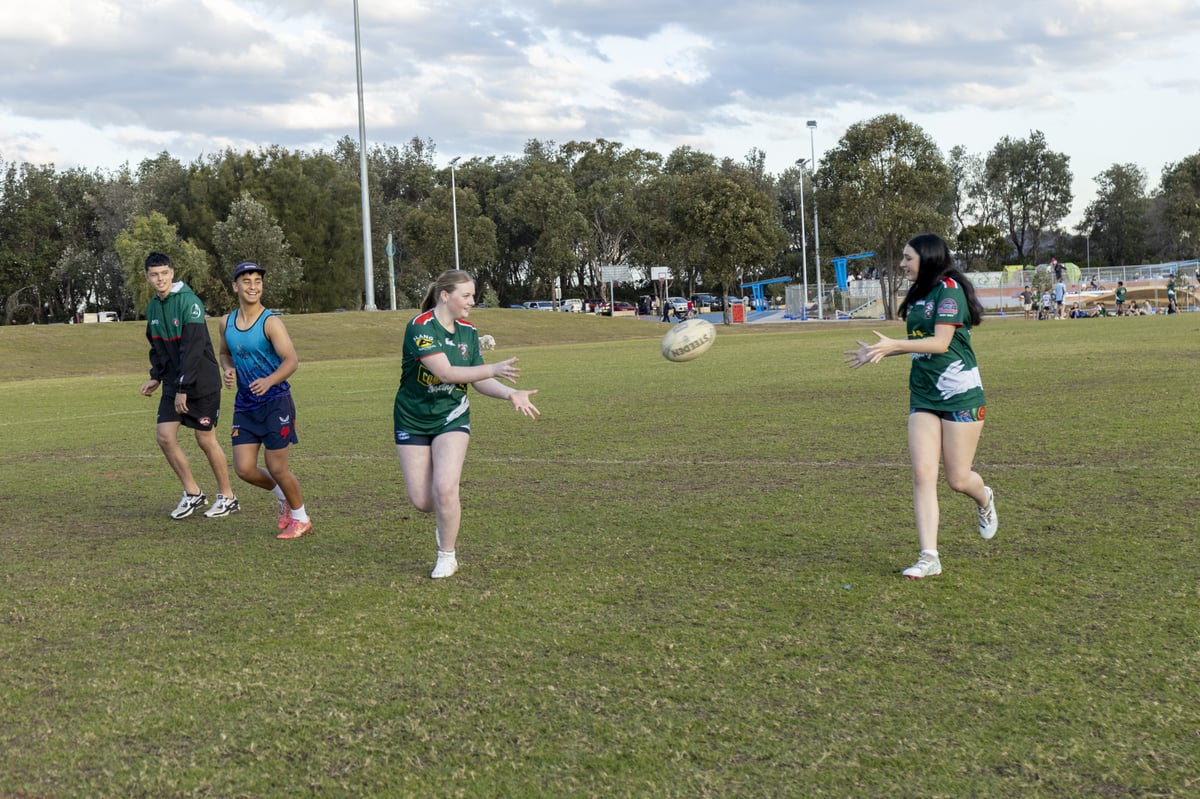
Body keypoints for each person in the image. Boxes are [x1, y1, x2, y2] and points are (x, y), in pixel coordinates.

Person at [843, 233, 997, 579]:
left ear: (926, 259)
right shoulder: (919, 295)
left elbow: (941, 343)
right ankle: (930, 557)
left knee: (958, 480)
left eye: (907, 258)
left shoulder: (949, 289)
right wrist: (880, 351)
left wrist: (895, 343)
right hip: (924, 395)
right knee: (923, 473)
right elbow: (920, 344)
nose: (902, 264)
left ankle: (984, 497)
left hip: (961, 394)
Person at [394, 270, 541, 578]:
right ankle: (446, 516)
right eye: (467, 295)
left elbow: (478, 381)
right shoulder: (420, 327)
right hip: (412, 418)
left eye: (473, 296)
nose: (472, 302)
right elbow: (446, 373)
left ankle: (447, 555)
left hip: (452, 415)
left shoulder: (468, 331)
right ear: (445, 296)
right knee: (423, 501)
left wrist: (510, 393)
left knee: (445, 488)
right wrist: (494, 367)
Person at [217, 261, 312, 540]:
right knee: (244, 468)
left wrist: (269, 380)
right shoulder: (226, 322)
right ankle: (282, 495)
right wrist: (228, 369)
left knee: (277, 467)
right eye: (246, 281)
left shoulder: (270, 322)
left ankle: (302, 518)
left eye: (257, 281)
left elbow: (291, 360)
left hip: (276, 402)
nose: (253, 286)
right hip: (245, 405)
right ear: (235, 286)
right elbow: (224, 353)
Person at [139, 252, 238, 520]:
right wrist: (156, 377)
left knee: (205, 439)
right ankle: (193, 493)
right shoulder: (152, 308)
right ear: (147, 277)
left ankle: (227, 496)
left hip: (200, 381)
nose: (159, 278)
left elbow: (193, 349)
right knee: (165, 437)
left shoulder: (189, 303)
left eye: (164, 273)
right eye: (154, 274)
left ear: (172, 273)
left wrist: (183, 387)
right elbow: (157, 347)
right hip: (174, 382)